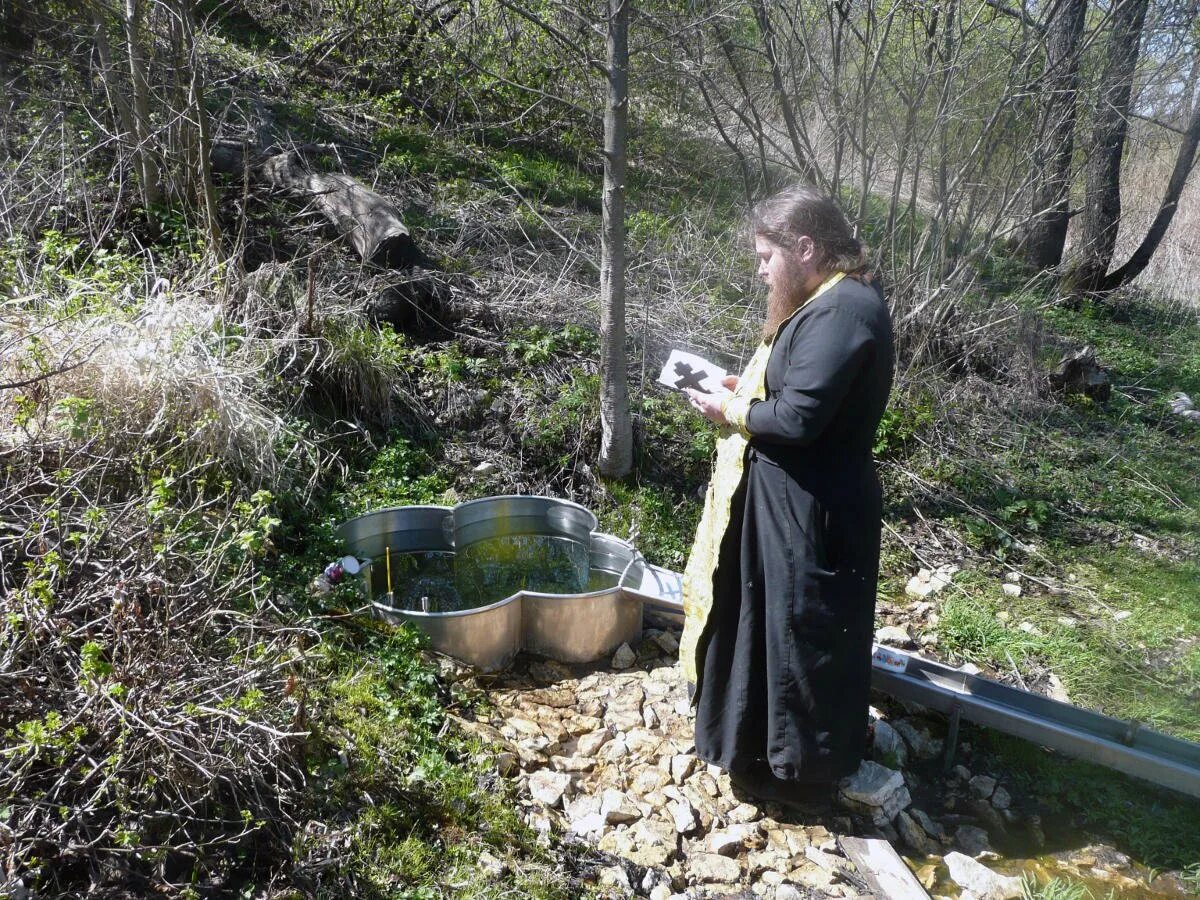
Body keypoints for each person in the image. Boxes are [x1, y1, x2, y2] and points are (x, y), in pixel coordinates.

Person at [678, 185, 894, 808]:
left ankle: (799, 776)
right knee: (769, 625)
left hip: (813, 509)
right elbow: (797, 393)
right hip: (789, 503)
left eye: (766, 256)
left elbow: (799, 419)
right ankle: (757, 751)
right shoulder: (828, 304)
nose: (761, 269)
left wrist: (730, 409)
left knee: (802, 632)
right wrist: (739, 388)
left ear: (805, 248)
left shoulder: (845, 310)